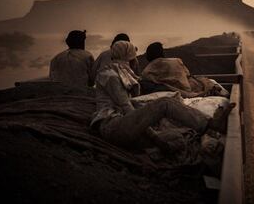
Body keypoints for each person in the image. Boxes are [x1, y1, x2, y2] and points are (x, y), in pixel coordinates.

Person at [91, 41, 233, 150]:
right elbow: (126, 107)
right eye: (133, 58)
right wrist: (156, 138)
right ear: (128, 57)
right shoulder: (111, 76)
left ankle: (206, 127)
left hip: (121, 123)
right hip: (112, 127)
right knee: (165, 103)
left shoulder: (117, 72)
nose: (136, 61)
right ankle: (211, 124)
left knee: (176, 138)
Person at [141, 42, 229, 98]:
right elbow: (187, 74)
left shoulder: (146, 71)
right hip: (187, 88)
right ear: (162, 52)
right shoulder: (176, 61)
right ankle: (218, 92)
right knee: (205, 81)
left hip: (172, 90)